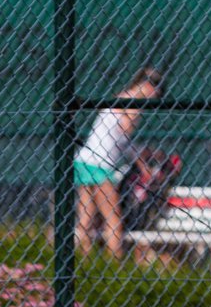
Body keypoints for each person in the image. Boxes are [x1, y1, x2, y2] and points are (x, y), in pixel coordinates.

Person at [63, 66, 163, 258]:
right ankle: (114, 265)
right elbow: (125, 132)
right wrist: (134, 116)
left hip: (85, 160)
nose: (156, 95)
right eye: (155, 89)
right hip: (99, 165)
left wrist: (142, 162)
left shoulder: (123, 100)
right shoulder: (129, 102)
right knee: (113, 218)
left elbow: (123, 143)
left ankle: (83, 261)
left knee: (86, 218)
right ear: (147, 86)